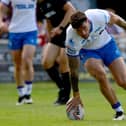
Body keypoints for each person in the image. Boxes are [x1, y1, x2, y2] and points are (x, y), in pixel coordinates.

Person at [65, 9, 126, 120]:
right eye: (79, 31)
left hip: (108, 45)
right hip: (88, 52)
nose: (83, 33)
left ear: (88, 21)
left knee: (123, 81)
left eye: (84, 28)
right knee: (100, 74)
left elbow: (116, 19)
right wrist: (76, 95)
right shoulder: (71, 38)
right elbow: (73, 70)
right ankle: (119, 112)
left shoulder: (98, 16)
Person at [37, 0, 76, 105]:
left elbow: (71, 10)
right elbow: (48, 20)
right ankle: (62, 88)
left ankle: (66, 96)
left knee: (64, 62)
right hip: (56, 34)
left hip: (69, 31)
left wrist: (61, 27)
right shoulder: (39, 5)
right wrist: (49, 35)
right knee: (46, 62)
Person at [0, 0, 37, 105]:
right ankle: (21, 94)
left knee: (27, 59)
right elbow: (2, 8)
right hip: (15, 31)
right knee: (17, 64)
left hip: (31, 31)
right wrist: (1, 22)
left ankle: (28, 93)